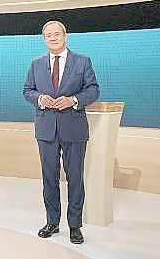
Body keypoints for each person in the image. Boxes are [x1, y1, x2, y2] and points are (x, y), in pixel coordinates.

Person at [23, 20, 99, 244]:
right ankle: (52, 222)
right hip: (46, 129)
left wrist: (73, 100)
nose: (53, 38)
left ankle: (75, 225)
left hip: (73, 128)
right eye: (48, 35)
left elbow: (93, 90)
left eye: (57, 34)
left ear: (65, 36)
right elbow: (27, 90)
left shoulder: (82, 61)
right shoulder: (36, 64)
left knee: (75, 178)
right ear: (44, 39)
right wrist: (40, 99)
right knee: (49, 178)